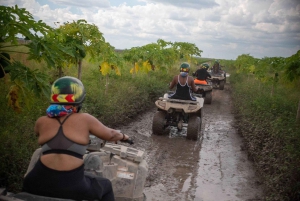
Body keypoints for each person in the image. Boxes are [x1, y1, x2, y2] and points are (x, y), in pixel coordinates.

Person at [22, 76, 130, 201]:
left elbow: (38, 134)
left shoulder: (41, 122)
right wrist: (124, 137)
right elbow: (111, 134)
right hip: (71, 186)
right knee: (105, 185)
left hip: (36, 182)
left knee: (26, 186)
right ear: (79, 99)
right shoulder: (85, 119)